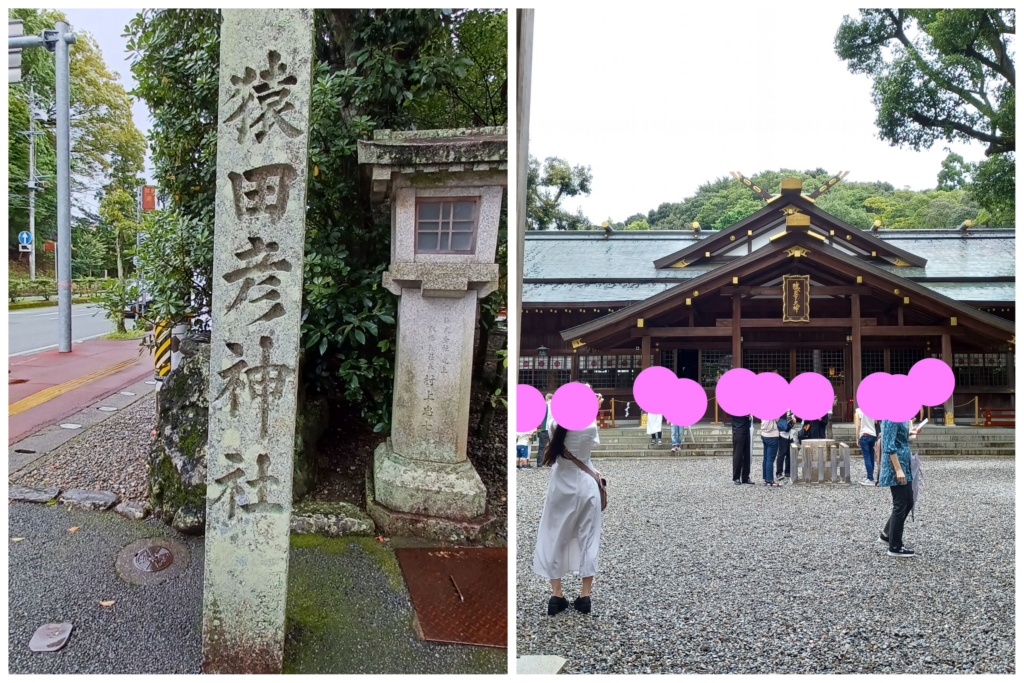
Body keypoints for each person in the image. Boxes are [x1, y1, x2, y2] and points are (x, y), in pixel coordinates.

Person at [533, 418, 603, 615]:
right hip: (586, 485)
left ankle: (556, 594)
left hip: (561, 485)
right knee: (588, 538)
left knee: (554, 536)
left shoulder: (554, 424)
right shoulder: (590, 425)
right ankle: (585, 595)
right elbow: (593, 444)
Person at [878, 418, 917, 557]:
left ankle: (888, 534)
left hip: (904, 464)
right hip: (896, 467)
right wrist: (898, 469)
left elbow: (899, 439)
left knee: (908, 501)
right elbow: (888, 445)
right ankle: (895, 546)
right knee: (900, 504)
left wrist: (911, 433)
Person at [854, 405, 877, 486]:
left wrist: (857, 438)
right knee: (871, 457)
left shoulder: (859, 411)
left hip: (864, 434)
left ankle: (870, 478)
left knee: (867, 457)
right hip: (873, 434)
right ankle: (870, 476)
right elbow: (875, 422)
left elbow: (858, 425)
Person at [731, 412, 753, 484]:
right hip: (738, 429)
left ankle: (745, 477)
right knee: (738, 455)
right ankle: (736, 477)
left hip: (746, 429)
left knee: (747, 455)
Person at [760, 417, 780, 486]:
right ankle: (769, 479)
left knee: (766, 458)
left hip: (764, 434)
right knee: (770, 459)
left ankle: (765, 478)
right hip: (772, 434)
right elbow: (777, 419)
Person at [775, 411, 795, 481]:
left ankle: (788, 471)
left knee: (790, 453)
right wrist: (785, 416)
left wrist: (792, 419)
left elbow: (792, 415)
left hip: (789, 434)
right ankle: (779, 472)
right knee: (781, 453)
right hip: (782, 433)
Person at [537, 393, 553, 467]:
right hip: (553, 430)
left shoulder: (544, 406)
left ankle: (539, 464)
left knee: (542, 447)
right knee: (552, 446)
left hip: (545, 429)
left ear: (546, 399)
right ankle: (551, 463)